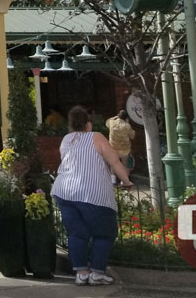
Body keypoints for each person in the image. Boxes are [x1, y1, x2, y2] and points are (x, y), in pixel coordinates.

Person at [51, 105, 132, 287]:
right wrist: (126, 181)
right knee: (105, 233)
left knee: (77, 234)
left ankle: (81, 273)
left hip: (64, 192)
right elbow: (115, 162)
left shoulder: (66, 140)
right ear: (88, 124)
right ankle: (96, 273)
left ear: (71, 125)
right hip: (92, 193)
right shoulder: (97, 137)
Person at [105, 110, 135, 177]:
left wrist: (115, 117)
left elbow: (106, 122)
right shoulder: (127, 126)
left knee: (113, 164)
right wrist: (128, 123)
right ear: (126, 118)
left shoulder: (111, 123)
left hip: (113, 148)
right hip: (124, 149)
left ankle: (113, 180)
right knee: (125, 164)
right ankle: (124, 181)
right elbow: (132, 136)